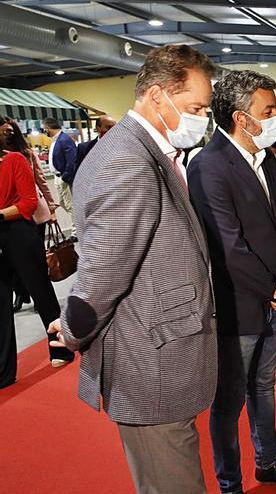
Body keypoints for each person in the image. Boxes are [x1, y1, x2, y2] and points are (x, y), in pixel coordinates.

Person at [47, 45, 218, 494]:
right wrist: (70, 327)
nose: (202, 118)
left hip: (167, 352)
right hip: (150, 366)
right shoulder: (126, 161)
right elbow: (102, 278)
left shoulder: (149, 152)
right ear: (158, 96)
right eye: (195, 108)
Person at [188, 70, 276, 494]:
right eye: (269, 111)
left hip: (275, 297)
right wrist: (273, 287)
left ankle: (267, 461)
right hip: (239, 303)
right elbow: (228, 247)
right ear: (243, 118)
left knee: (264, 385)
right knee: (228, 401)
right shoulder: (207, 166)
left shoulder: (267, 158)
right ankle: (230, 483)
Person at [0, 116, 75, 388]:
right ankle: (3, 372)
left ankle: (60, 347)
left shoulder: (16, 159)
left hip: (20, 233)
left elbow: (28, 202)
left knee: (41, 292)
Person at [3, 117, 58, 313]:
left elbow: (40, 183)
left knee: (35, 267)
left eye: (9, 131)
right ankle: (21, 294)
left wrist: (51, 207)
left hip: (30, 215)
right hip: (12, 220)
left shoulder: (23, 155)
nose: (6, 134)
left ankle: (36, 297)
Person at [43, 117, 78, 239]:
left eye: (44, 128)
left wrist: (65, 177)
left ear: (48, 127)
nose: (44, 131)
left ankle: (76, 232)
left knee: (70, 205)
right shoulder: (55, 140)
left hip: (64, 177)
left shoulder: (64, 139)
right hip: (58, 177)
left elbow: (72, 160)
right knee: (63, 203)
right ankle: (79, 225)